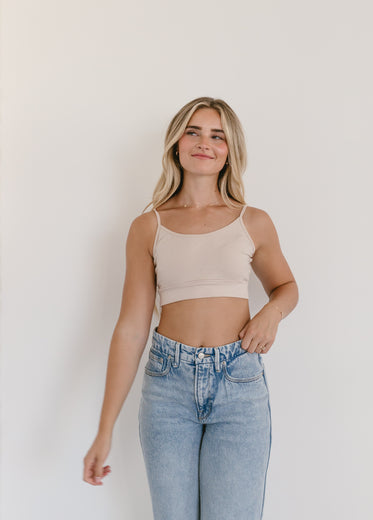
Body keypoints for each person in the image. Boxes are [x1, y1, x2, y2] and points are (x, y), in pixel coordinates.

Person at [83, 96, 299, 519]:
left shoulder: (252, 221)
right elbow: (130, 328)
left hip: (238, 380)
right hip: (168, 385)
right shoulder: (148, 227)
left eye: (217, 135)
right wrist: (104, 430)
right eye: (193, 131)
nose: (205, 142)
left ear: (229, 150)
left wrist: (270, 314)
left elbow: (286, 287)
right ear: (176, 144)